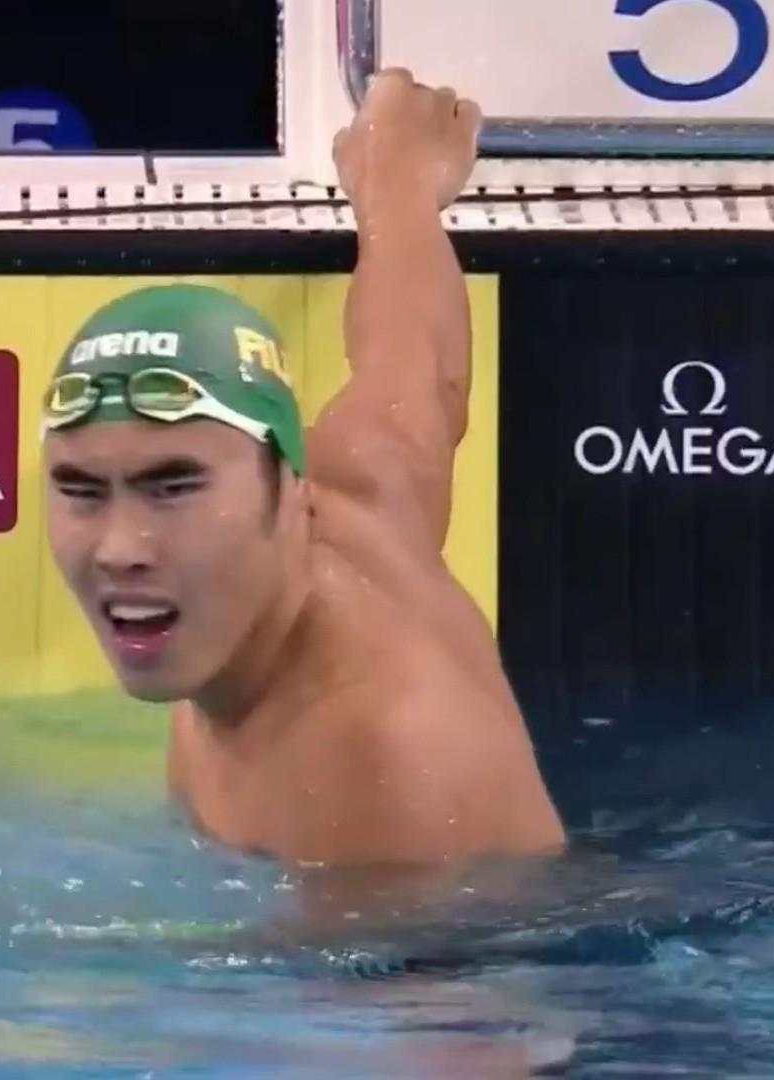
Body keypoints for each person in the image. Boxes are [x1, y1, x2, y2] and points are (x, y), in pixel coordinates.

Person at [39, 69, 564, 868]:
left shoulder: (374, 765)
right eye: (82, 489)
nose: (121, 547)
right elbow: (416, 365)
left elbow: (431, 991)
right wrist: (395, 183)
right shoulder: (363, 494)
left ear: (291, 490)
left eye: (172, 487)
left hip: (528, 973)